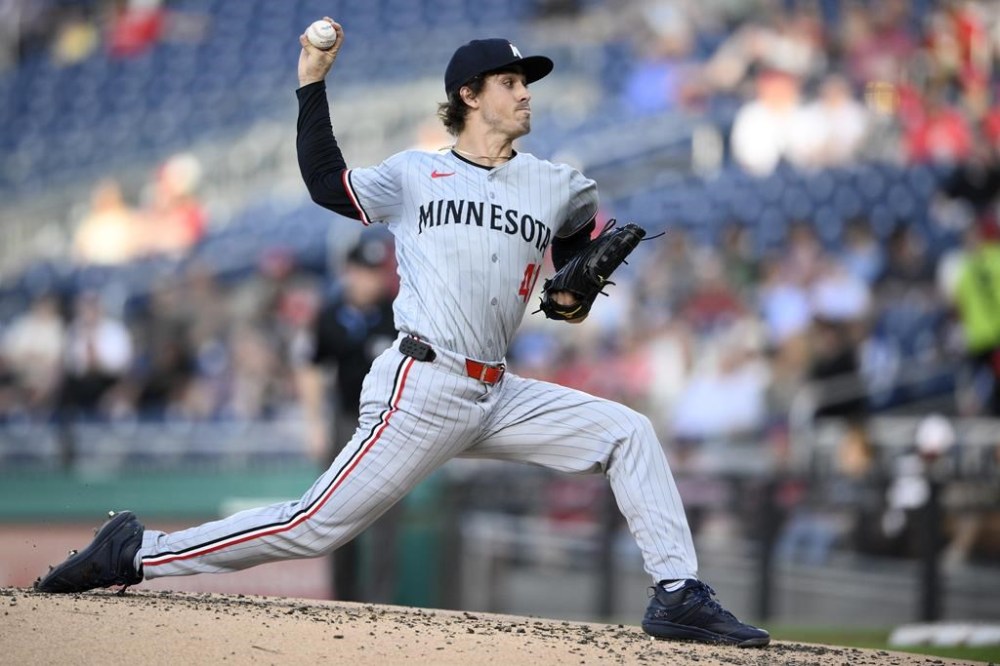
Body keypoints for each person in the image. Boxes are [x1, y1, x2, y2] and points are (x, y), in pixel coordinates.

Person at [35, 21, 769, 648]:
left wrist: (573, 286)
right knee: (314, 526)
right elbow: (328, 184)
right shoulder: (416, 174)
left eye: (527, 81)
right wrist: (311, 80)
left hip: (498, 389)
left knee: (628, 432)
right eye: (509, 81)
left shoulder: (560, 184)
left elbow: (573, 264)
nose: (524, 92)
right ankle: (139, 553)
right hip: (424, 384)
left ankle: (677, 593)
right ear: (469, 96)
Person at [293, 234, 400, 602]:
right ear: (349, 271)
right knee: (337, 513)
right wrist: (313, 425)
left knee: (385, 520)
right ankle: (342, 604)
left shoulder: (400, 311)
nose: (370, 279)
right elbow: (309, 366)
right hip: (344, 419)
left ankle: (381, 606)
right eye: (364, 271)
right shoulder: (330, 313)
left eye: (376, 272)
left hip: (390, 427)